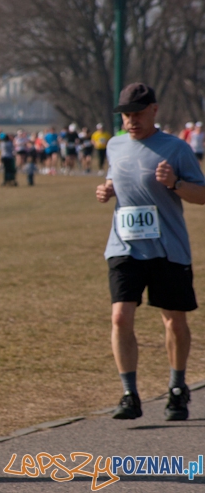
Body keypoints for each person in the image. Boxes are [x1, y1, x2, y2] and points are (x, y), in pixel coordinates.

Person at [96, 83, 205, 422]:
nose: (131, 121)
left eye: (138, 114)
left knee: (173, 321)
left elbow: (201, 194)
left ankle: (177, 387)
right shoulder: (114, 146)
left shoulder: (176, 148)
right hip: (124, 245)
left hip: (167, 247)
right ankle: (130, 394)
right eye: (126, 115)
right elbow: (117, 178)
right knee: (119, 317)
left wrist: (175, 183)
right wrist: (107, 189)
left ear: (154, 110)